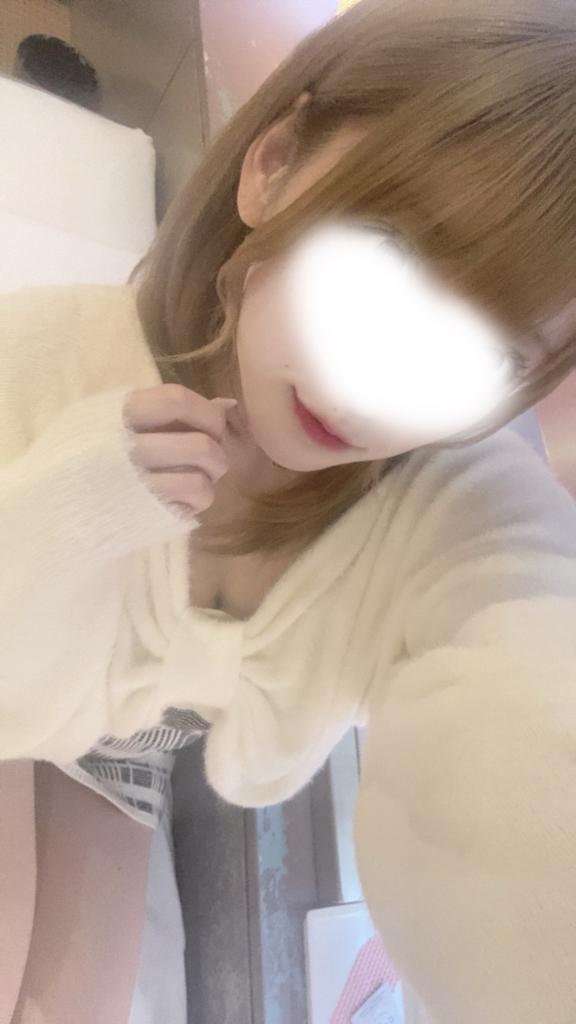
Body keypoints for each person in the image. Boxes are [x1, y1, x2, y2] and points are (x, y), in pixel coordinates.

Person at [3, 0, 576, 1020]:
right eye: (386, 258)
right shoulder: (35, 368)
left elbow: (526, 686)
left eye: (486, 356)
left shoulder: (447, 515)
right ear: (271, 163)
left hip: (127, 745)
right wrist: (79, 502)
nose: (378, 388)